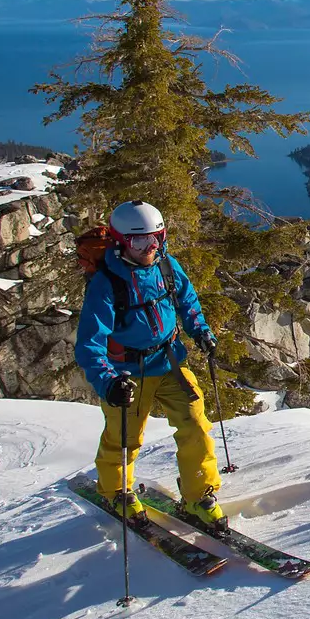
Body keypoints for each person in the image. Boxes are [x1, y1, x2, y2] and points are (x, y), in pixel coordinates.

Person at [75, 200, 225, 527]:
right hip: (127, 372)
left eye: (157, 238)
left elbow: (187, 302)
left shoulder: (166, 266)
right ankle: (117, 492)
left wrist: (201, 332)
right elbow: (89, 343)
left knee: (195, 424)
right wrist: (108, 381)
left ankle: (199, 495)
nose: (150, 247)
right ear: (120, 242)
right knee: (124, 436)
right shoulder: (107, 284)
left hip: (170, 361)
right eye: (140, 241)